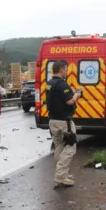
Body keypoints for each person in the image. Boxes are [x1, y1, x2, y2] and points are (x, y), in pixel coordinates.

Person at [46, 60, 83, 188]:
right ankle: (61, 175)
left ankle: (62, 174)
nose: (67, 72)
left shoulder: (49, 83)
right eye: (66, 70)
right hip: (64, 121)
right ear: (61, 70)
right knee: (71, 146)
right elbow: (69, 102)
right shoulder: (62, 84)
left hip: (53, 121)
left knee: (59, 147)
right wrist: (77, 95)